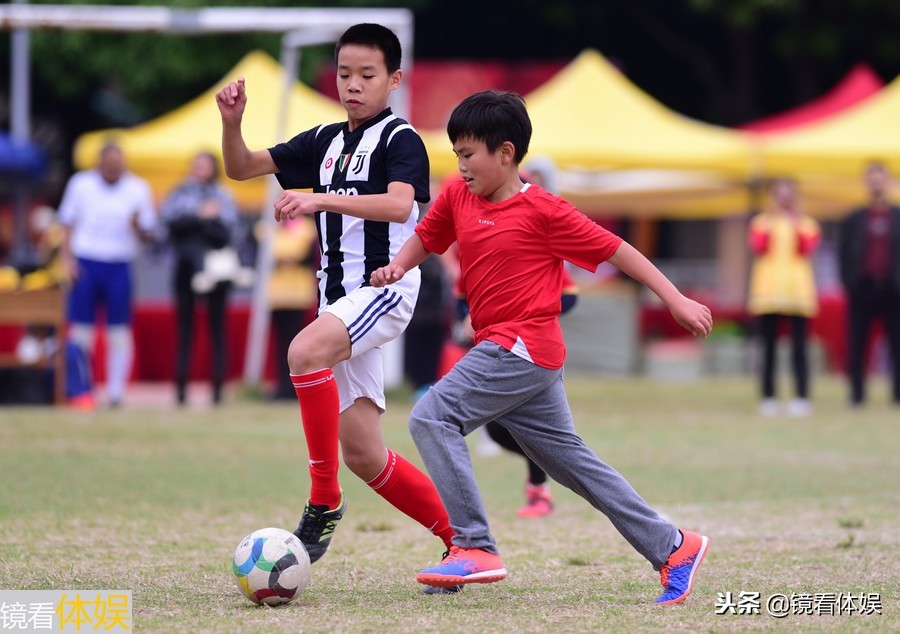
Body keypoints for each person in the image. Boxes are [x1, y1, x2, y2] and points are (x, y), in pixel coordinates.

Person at [370, 90, 713, 605]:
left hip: (522, 346)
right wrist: (400, 265)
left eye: (469, 155)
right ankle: (673, 546)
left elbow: (621, 252)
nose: (460, 166)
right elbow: (428, 235)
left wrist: (676, 299)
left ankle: (474, 545)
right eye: (456, 155)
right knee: (572, 466)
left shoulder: (546, 211)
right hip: (518, 354)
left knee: (430, 417)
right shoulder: (458, 195)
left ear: (505, 153)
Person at [215, 23, 456, 571]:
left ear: (393, 79)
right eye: (344, 73)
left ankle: (323, 500)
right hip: (339, 304)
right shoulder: (322, 141)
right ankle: (465, 538)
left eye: (367, 75)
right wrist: (232, 125)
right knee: (366, 455)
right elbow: (241, 167)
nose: (353, 85)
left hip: (383, 291)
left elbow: (401, 207)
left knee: (303, 353)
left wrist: (317, 199)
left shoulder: (401, 140)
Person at [58, 143, 157, 408]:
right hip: (87, 263)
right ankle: (81, 388)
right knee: (80, 332)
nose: (113, 170)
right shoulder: (81, 184)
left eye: (117, 165)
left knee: (119, 332)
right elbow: (66, 224)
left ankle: (115, 393)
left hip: (119, 263)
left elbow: (148, 234)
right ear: (99, 163)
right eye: (108, 165)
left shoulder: (138, 188)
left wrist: (137, 226)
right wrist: (66, 260)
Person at [160, 151, 240, 406]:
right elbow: (168, 225)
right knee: (185, 330)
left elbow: (230, 233)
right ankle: (181, 391)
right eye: (196, 165)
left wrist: (203, 220)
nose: (199, 170)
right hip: (185, 267)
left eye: (205, 165)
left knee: (218, 329)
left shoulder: (224, 195)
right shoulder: (179, 193)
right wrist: (201, 215)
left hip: (216, 269)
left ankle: (217, 391)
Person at [747, 178, 821, 417]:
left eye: (788, 195)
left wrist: (795, 221)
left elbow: (807, 248)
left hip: (798, 294)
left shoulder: (807, 224)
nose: (784, 200)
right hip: (768, 294)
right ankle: (768, 396)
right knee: (768, 348)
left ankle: (801, 396)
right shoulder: (761, 223)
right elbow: (759, 246)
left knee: (799, 348)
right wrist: (772, 219)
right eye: (779, 194)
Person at [838, 161, 900, 407]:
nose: (876, 184)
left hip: (893, 289)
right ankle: (857, 395)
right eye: (872, 179)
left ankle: (897, 395)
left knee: (897, 344)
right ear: (866, 183)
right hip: (862, 289)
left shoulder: (897, 216)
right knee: (857, 343)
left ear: (888, 182)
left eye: (880, 179)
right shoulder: (854, 218)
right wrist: (849, 282)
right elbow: (844, 253)